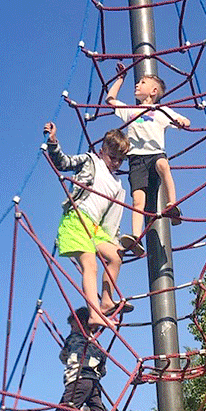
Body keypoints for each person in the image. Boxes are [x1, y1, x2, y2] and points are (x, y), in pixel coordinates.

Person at [43, 121, 131, 329]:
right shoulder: (91, 161)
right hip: (77, 219)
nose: (116, 163)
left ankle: (107, 301)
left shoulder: (118, 186)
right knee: (90, 265)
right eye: (113, 157)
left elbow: (112, 218)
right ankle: (93, 313)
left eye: (121, 160)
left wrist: (114, 237)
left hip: (95, 228)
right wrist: (54, 142)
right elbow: (63, 163)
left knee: (116, 254)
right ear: (102, 151)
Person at [106, 64, 191, 257]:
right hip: (136, 159)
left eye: (142, 82)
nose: (137, 84)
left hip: (155, 154)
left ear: (153, 91)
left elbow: (183, 120)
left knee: (163, 164)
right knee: (138, 200)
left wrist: (183, 122)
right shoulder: (130, 110)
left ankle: (172, 205)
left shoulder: (162, 111)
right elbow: (110, 100)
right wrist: (120, 78)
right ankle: (136, 237)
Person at [52, 307, 117, 411]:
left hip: (77, 381)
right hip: (94, 384)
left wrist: (67, 353)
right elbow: (104, 369)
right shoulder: (98, 344)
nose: (71, 329)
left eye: (73, 326)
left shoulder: (73, 338)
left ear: (81, 324)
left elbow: (62, 357)